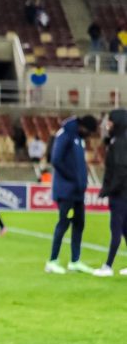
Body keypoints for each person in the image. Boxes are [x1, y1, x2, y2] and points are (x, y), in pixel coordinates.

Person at [44, 115, 99, 274]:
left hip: (77, 192)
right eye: (89, 132)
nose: (89, 135)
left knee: (79, 223)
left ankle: (75, 261)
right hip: (66, 191)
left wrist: (82, 180)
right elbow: (56, 159)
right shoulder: (66, 134)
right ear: (83, 127)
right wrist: (72, 178)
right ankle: (52, 261)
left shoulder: (78, 138)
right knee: (63, 223)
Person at [93, 109, 127, 277]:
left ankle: (108, 266)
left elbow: (121, 170)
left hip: (121, 195)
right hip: (123, 193)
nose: (108, 124)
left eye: (111, 121)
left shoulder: (119, 142)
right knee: (125, 229)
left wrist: (108, 190)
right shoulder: (119, 140)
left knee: (116, 230)